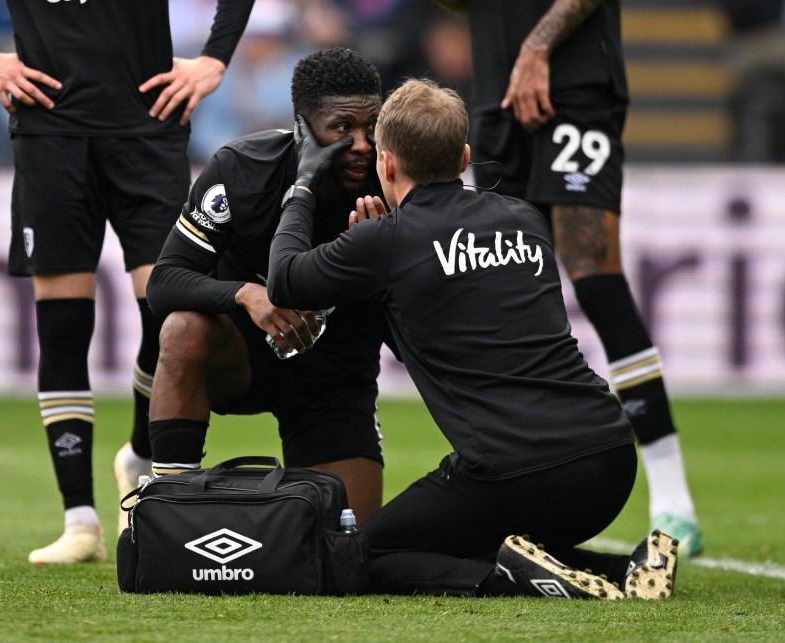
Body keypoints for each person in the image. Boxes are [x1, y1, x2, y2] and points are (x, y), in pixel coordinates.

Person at [267, 78, 678, 599]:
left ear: (385, 164)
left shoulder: (387, 241)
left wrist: (302, 186)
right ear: (463, 156)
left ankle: (511, 582)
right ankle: (623, 570)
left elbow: (283, 279)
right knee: (466, 530)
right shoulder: (525, 219)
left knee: (363, 555)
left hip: (517, 471)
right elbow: (443, 315)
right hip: (610, 458)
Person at [0, 0, 247, 563]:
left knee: (166, 313)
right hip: (49, 132)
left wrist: (215, 59)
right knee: (63, 325)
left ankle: (139, 453)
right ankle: (79, 522)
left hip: (147, 128)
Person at [437, 0, 704, 555]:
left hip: (574, 84)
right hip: (497, 94)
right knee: (495, 285)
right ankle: (511, 481)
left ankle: (674, 501)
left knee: (595, 277)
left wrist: (538, 48)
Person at [143, 47, 387, 527]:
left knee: (351, 548)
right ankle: (164, 511)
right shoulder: (241, 169)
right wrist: (246, 295)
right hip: (244, 357)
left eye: (373, 127)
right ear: (302, 127)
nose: (362, 144)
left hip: (337, 380)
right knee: (182, 328)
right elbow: (164, 282)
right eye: (343, 128)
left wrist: (385, 262)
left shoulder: (396, 182)